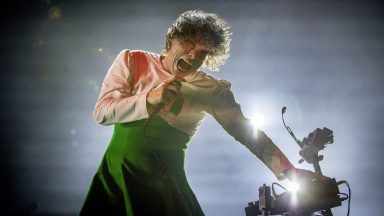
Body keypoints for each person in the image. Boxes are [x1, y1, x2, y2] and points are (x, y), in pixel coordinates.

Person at [80, 10, 320, 216]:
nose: (194, 55)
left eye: (203, 52)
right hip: (114, 177)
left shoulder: (212, 90)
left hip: (162, 185)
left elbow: (247, 133)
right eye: (189, 44)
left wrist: (288, 170)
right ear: (173, 38)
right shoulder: (133, 60)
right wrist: (149, 100)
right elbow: (102, 112)